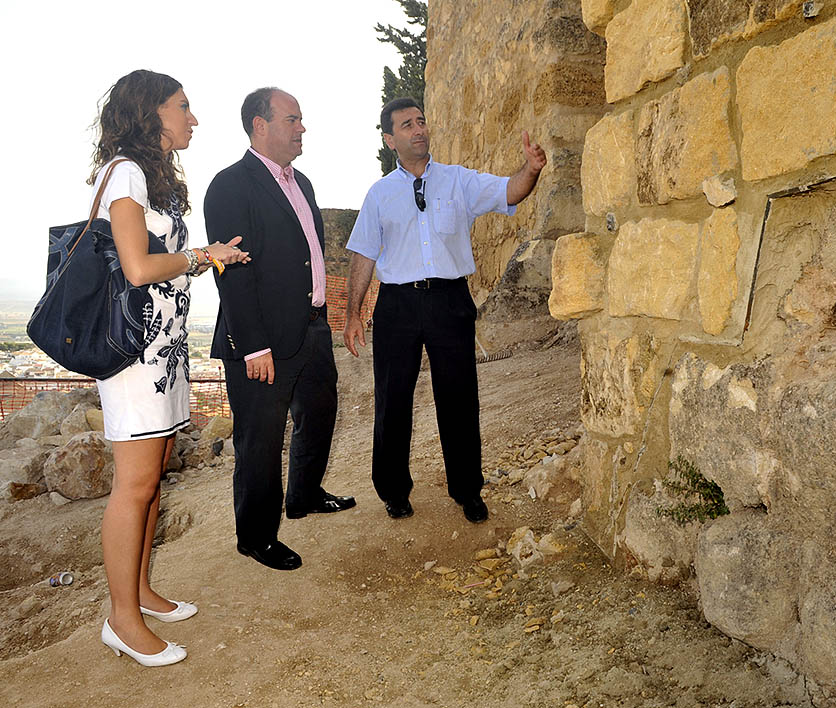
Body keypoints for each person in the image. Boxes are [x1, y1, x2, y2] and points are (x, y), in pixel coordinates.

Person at [91, 70, 250, 667]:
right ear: (149, 113)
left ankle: (139, 591)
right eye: (182, 106)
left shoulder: (153, 178)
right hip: (135, 357)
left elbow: (165, 262)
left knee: (152, 479)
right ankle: (121, 619)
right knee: (133, 487)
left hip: (164, 351)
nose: (193, 117)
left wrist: (205, 259)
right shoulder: (127, 173)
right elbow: (136, 268)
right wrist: (203, 255)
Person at [343, 97, 547, 524]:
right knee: (392, 400)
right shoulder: (379, 194)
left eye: (421, 121)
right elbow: (362, 256)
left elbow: (509, 191)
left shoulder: (459, 181)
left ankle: (467, 489)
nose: (418, 129)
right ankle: (394, 491)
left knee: (458, 397)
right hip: (397, 305)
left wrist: (530, 169)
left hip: (449, 300)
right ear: (389, 138)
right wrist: (352, 313)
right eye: (406, 125)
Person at [204, 87, 354, 572]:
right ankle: (256, 536)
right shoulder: (230, 185)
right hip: (262, 340)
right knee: (260, 439)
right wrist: (252, 347)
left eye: (301, 119)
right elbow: (234, 273)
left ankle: (305, 495)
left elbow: (307, 253)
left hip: (311, 328)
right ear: (259, 125)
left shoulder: (302, 183)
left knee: (320, 410)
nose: (301, 127)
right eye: (292, 119)